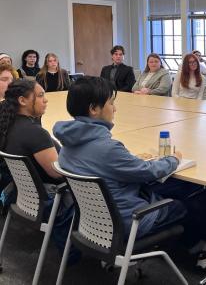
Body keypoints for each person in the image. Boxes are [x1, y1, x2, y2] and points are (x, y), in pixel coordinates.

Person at [53, 77, 187, 239]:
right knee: (185, 202)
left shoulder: (68, 143)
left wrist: (128, 160)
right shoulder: (108, 149)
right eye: (111, 103)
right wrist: (173, 159)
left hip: (94, 223)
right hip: (128, 222)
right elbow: (148, 172)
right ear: (94, 109)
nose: (115, 109)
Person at [0, 79, 73, 253]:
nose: (45, 100)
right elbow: (59, 173)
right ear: (22, 100)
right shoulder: (34, 133)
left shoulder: (8, 125)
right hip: (48, 200)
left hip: (20, 196)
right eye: (40, 96)